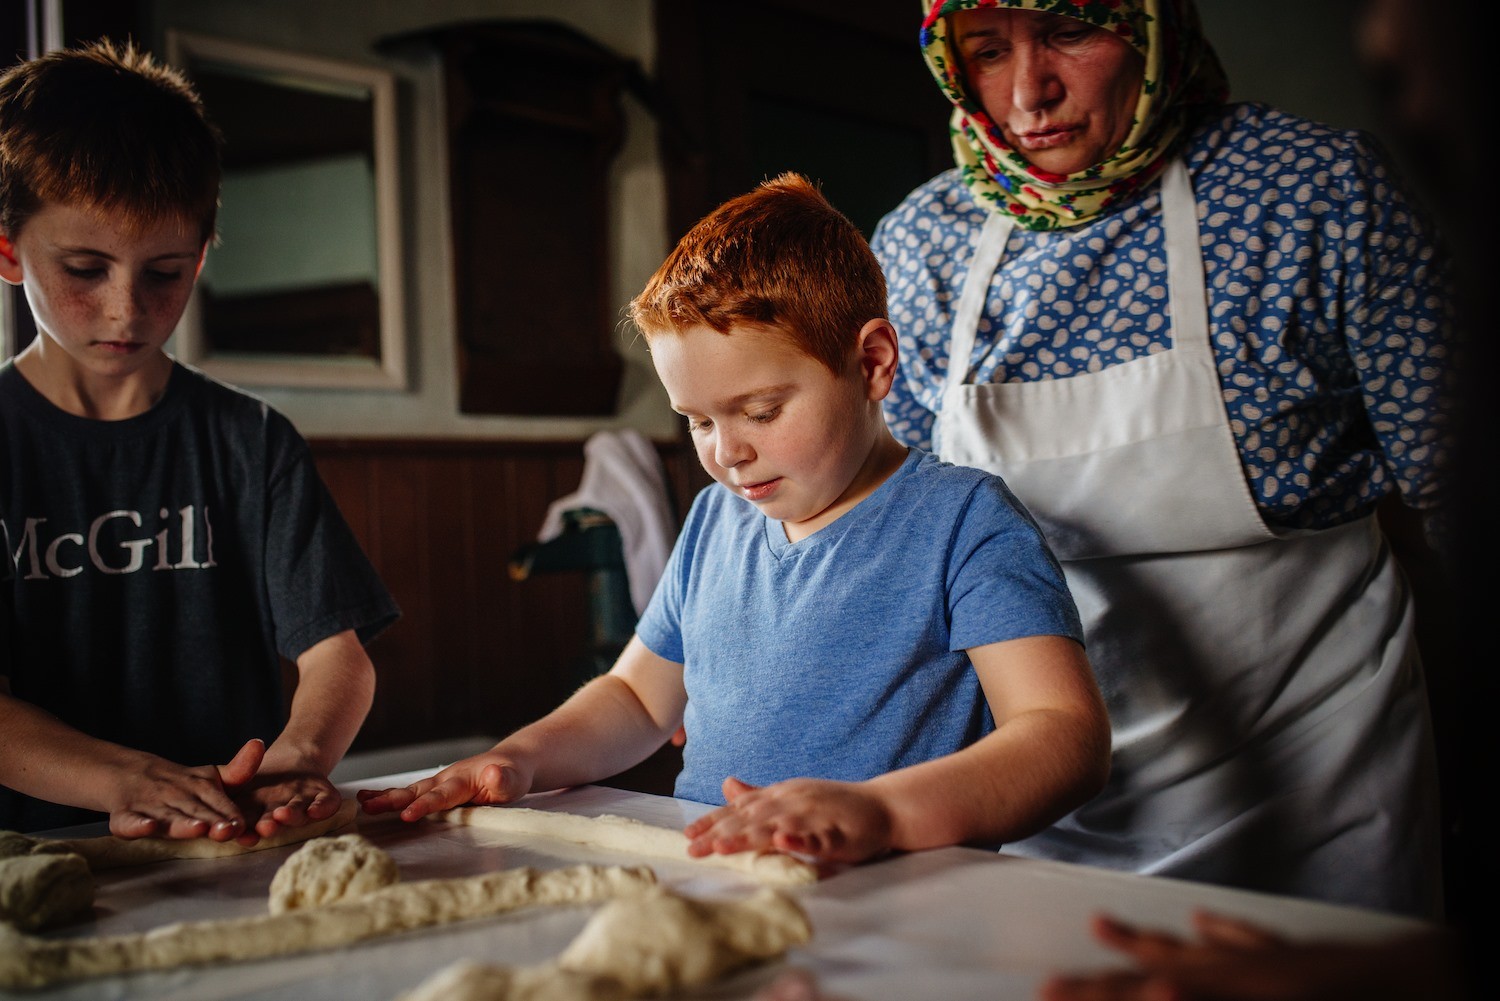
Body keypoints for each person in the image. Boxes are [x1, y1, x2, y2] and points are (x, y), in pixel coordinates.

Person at [871, 0, 1452, 917]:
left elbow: (1459, 480)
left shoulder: (1314, 192)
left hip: (1318, 776)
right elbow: (893, 528)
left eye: (1070, 32)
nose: (1030, 91)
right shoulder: (921, 246)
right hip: (1031, 796)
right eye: (987, 51)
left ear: (1151, 31)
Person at [360, 173, 1111, 864]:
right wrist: (520, 756)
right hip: (716, 881)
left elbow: (1062, 735)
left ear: (874, 363)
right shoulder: (716, 520)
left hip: (901, 897)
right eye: (697, 421)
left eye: (760, 410)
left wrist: (879, 812)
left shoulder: (964, 520)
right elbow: (635, 698)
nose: (729, 453)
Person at [0, 40, 400, 842]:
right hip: (35, 852)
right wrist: (127, 778)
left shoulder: (250, 441)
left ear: (203, 256)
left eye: (164, 272)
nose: (126, 310)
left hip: (232, 840)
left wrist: (298, 757)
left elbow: (337, 657)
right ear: (9, 249)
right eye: (84, 268)